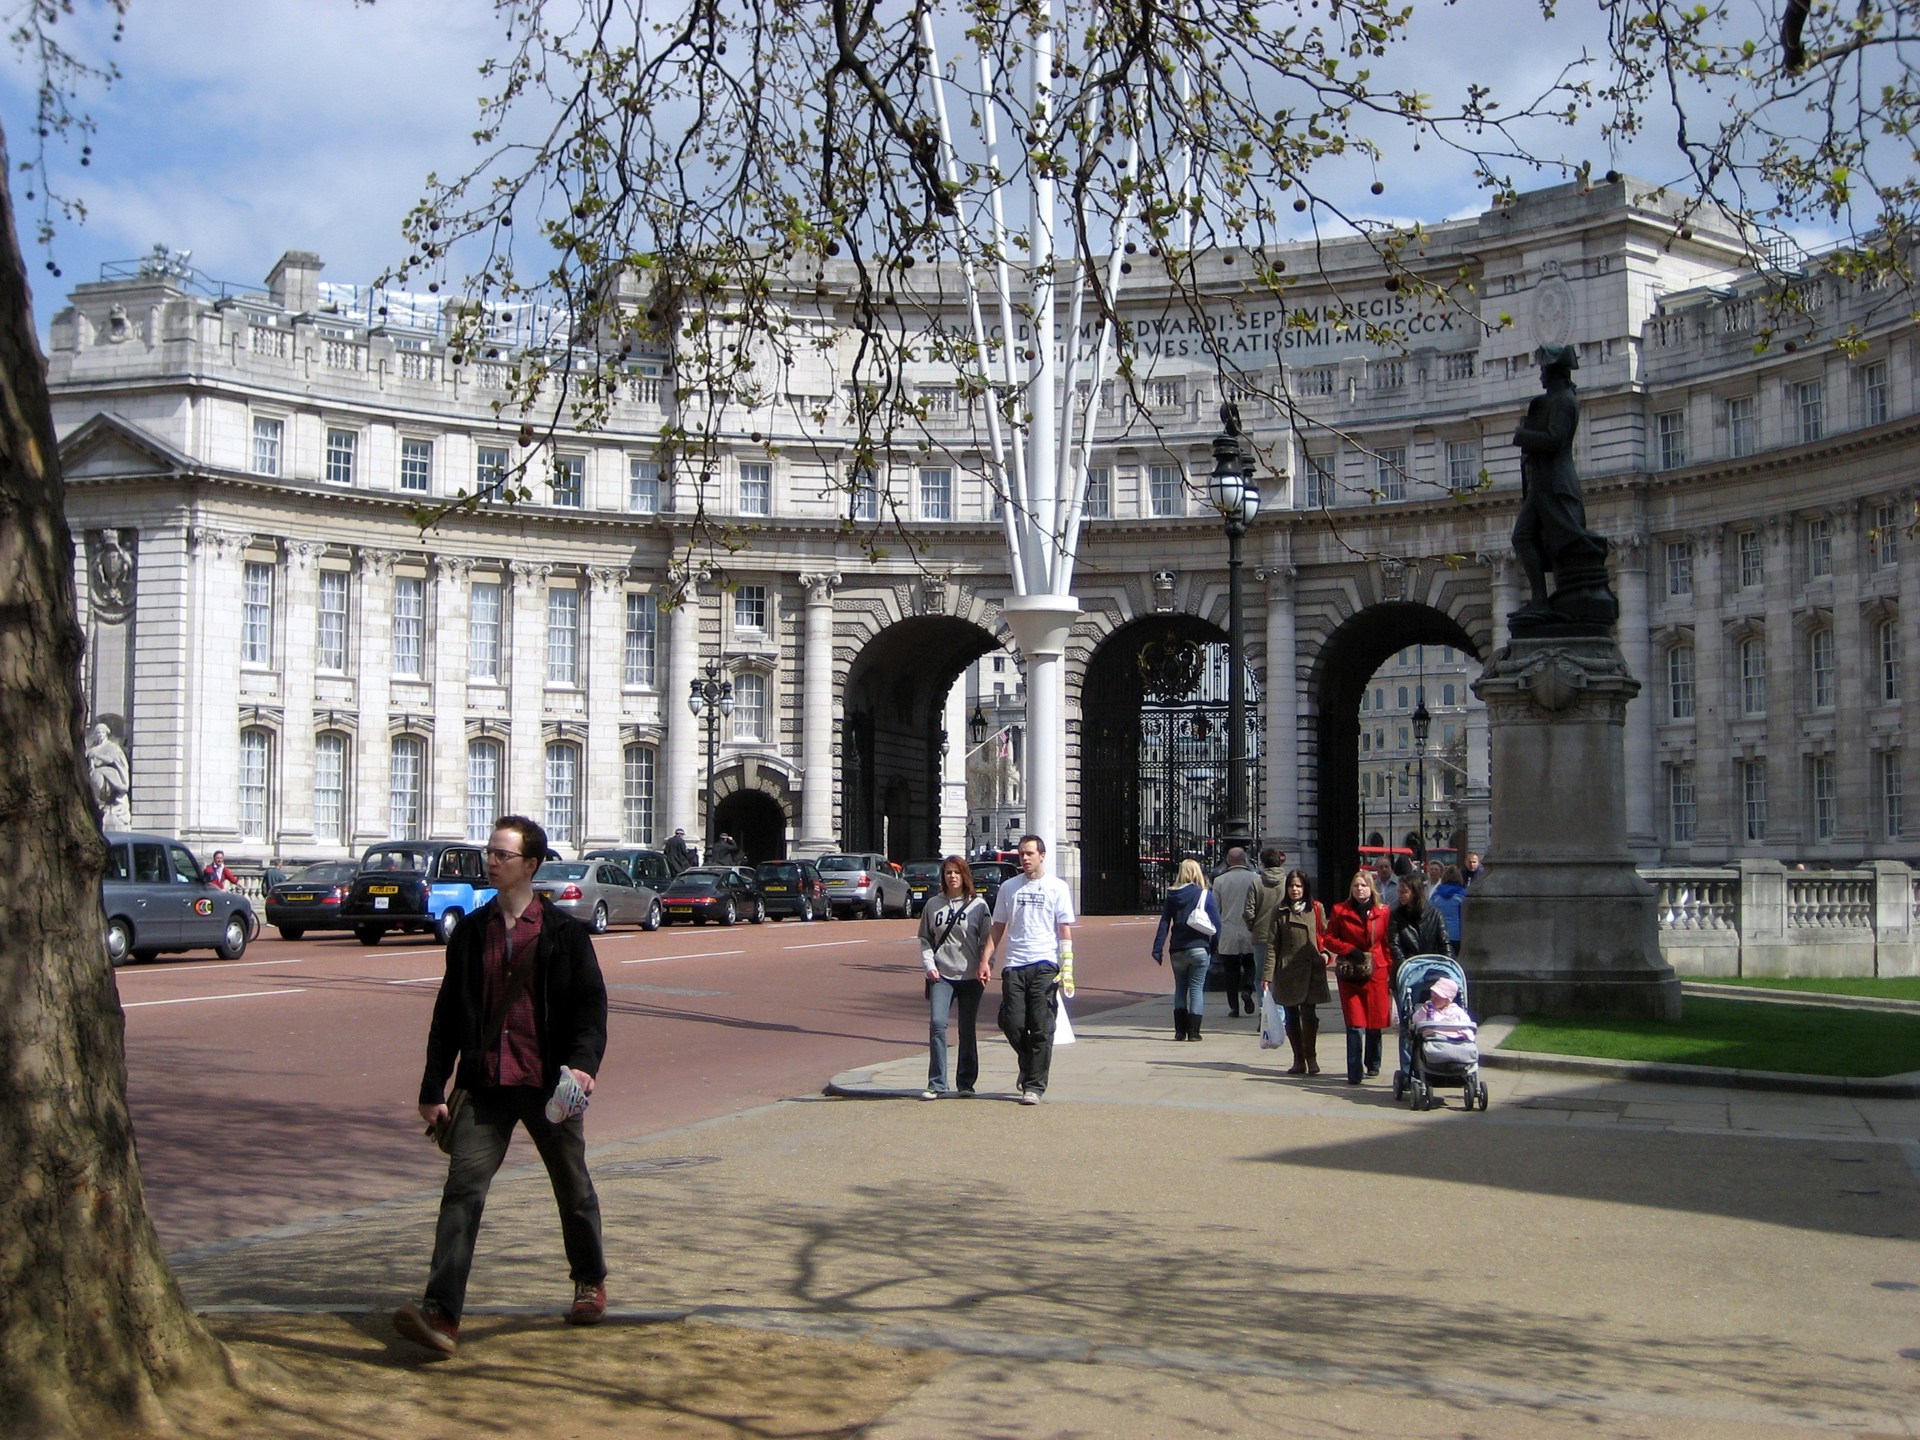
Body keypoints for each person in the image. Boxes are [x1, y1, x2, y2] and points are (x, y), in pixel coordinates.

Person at [393, 814, 610, 1356]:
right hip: (485, 1082)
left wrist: (583, 1064)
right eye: (489, 852)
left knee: (573, 1186)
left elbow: (591, 1007)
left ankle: (589, 1279)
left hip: (546, 1083)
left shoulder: (564, 935)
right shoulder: (471, 933)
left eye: (501, 855)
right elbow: (447, 1015)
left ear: (530, 866)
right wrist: (431, 1087)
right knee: (462, 1192)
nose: (491, 861)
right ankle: (441, 1315)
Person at [983, 834, 1076, 1105]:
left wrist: (1067, 965)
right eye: (1022, 853)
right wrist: (986, 959)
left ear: (1042, 856)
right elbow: (998, 926)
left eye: (1030, 853)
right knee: (1012, 1023)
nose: (1025, 858)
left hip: (1045, 964)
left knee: (1041, 1027)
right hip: (1015, 965)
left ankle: (1034, 1085)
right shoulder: (1009, 888)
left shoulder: (1057, 887)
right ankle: (1028, 1063)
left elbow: (1064, 929)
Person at [916, 857, 992, 1098]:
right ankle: (937, 1082)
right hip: (942, 975)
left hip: (970, 976)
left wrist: (986, 964)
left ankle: (966, 1082)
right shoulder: (933, 905)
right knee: (938, 1024)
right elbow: (925, 938)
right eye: (948, 873)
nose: (952, 877)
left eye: (957, 872)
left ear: (965, 876)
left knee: (967, 1029)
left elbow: (988, 940)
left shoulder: (978, 906)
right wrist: (929, 965)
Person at [1253, 866, 1330, 1075]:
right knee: (1291, 1015)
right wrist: (1267, 975)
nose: (1294, 890)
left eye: (1298, 886)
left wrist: (1326, 954)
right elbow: (1271, 945)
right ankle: (1298, 1059)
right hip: (1287, 971)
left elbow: (1328, 935)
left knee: (1309, 1015)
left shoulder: (1316, 909)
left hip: (1311, 968)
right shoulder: (1279, 911)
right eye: (1291, 886)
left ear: (1305, 887)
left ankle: (1311, 1056)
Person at [1322, 869, 1393, 1085]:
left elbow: (1388, 943)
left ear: (1370, 888)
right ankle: (1354, 1070)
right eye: (1356, 886)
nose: (1359, 890)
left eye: (1363, 885)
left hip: (1377, 970)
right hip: (1351, 972)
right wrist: (1347, 949)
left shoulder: (1383, 911)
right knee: (1354, 1023)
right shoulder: (1340, 910)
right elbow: (1329, 938)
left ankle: (1373, 1063)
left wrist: (1390, 968)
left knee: (1374, 1021)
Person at [1151, 858, 1219, 1042]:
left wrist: (1158, 948)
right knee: (1196, 989)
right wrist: (1214, 946)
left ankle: (1179, 1031)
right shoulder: (1205, 895)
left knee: (1180, 988)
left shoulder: (1172, 895)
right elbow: (1217, 924)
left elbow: (1165, 922)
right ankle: (1194, 1032)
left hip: (1178, 948)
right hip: (1199, 947)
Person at [1209, 845, 1260, 1019]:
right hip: (1250, 930)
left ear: (1228, 861)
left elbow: (1215, 909)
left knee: (1230, 971)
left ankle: (1234, 1007)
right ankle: (1247, 988)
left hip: (1228, 930)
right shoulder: (1255, 879)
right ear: (1245, 860)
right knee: (1251, 964)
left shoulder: (1220, 881)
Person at [1390, 873, 1452, 970]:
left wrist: (1447, 967)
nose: (1400, 895)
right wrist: (1405, 965)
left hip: (1432, 967)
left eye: (1404, 892)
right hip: (1407, 969)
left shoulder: (1435, 914)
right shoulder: (1396, 915)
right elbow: (1394, 944)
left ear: (1415, 892)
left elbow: (1444, 943)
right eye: (1399, 891)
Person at [85, 721, 132, 830]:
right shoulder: (93, 747)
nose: (100, 734)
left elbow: (112, 759)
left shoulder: (112, 747)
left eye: (102, 732)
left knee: (98, 774)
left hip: (110, 773)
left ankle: (101, 801)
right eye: (98, 732)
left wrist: (97, 755)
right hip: (94, 771)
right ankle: (96, 803)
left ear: (106, 733)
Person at [1430, 864, 1468, 952]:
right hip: (1457, 934)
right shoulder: (1463, 895)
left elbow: (1430, 913)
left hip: (1439, 933)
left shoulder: (1436, 895)